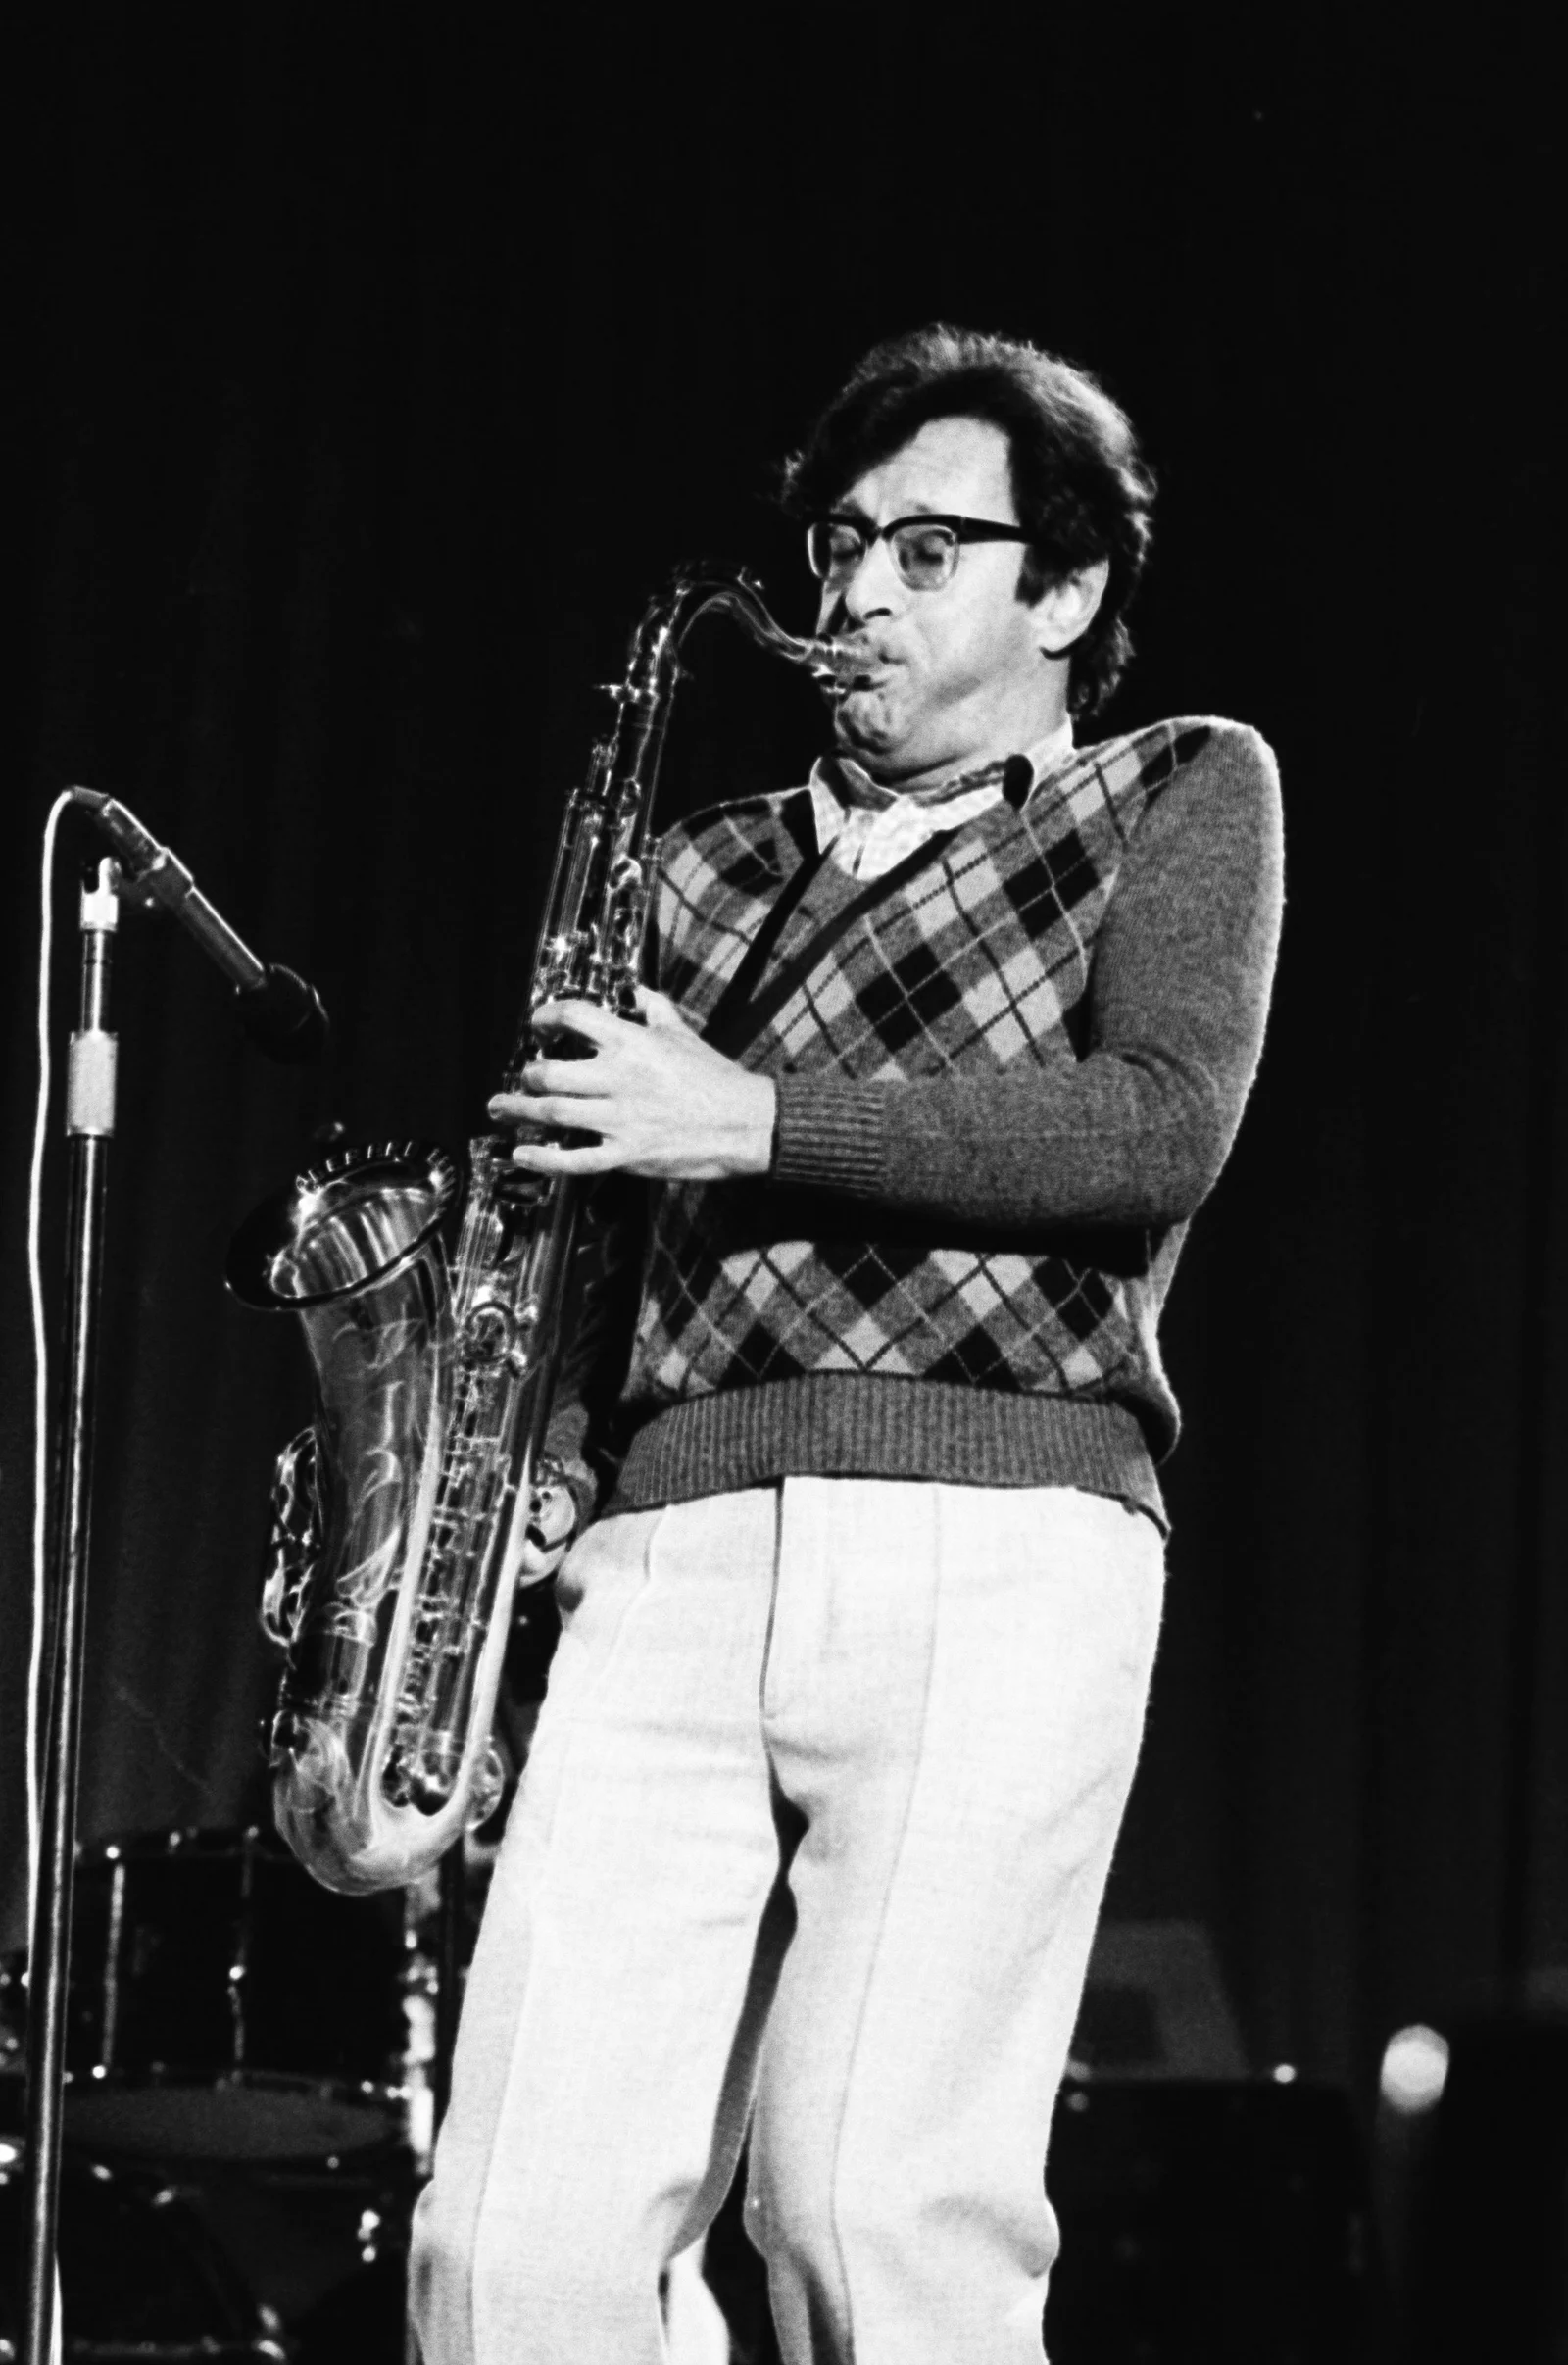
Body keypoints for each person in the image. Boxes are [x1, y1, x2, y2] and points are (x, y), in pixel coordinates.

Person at [409, 324, 1284, 2364]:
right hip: (668, 1548)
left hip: (999, 1538)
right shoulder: (689, 865)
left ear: (1063, 594)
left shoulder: (1179, 787)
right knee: (505, 2242)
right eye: (840, 543)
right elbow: (588, 1221)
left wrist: (758, 1119)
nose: (855, 592)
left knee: (870, 2221)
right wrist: (537, 1454)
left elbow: (1158, 1125)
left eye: (925, 549)